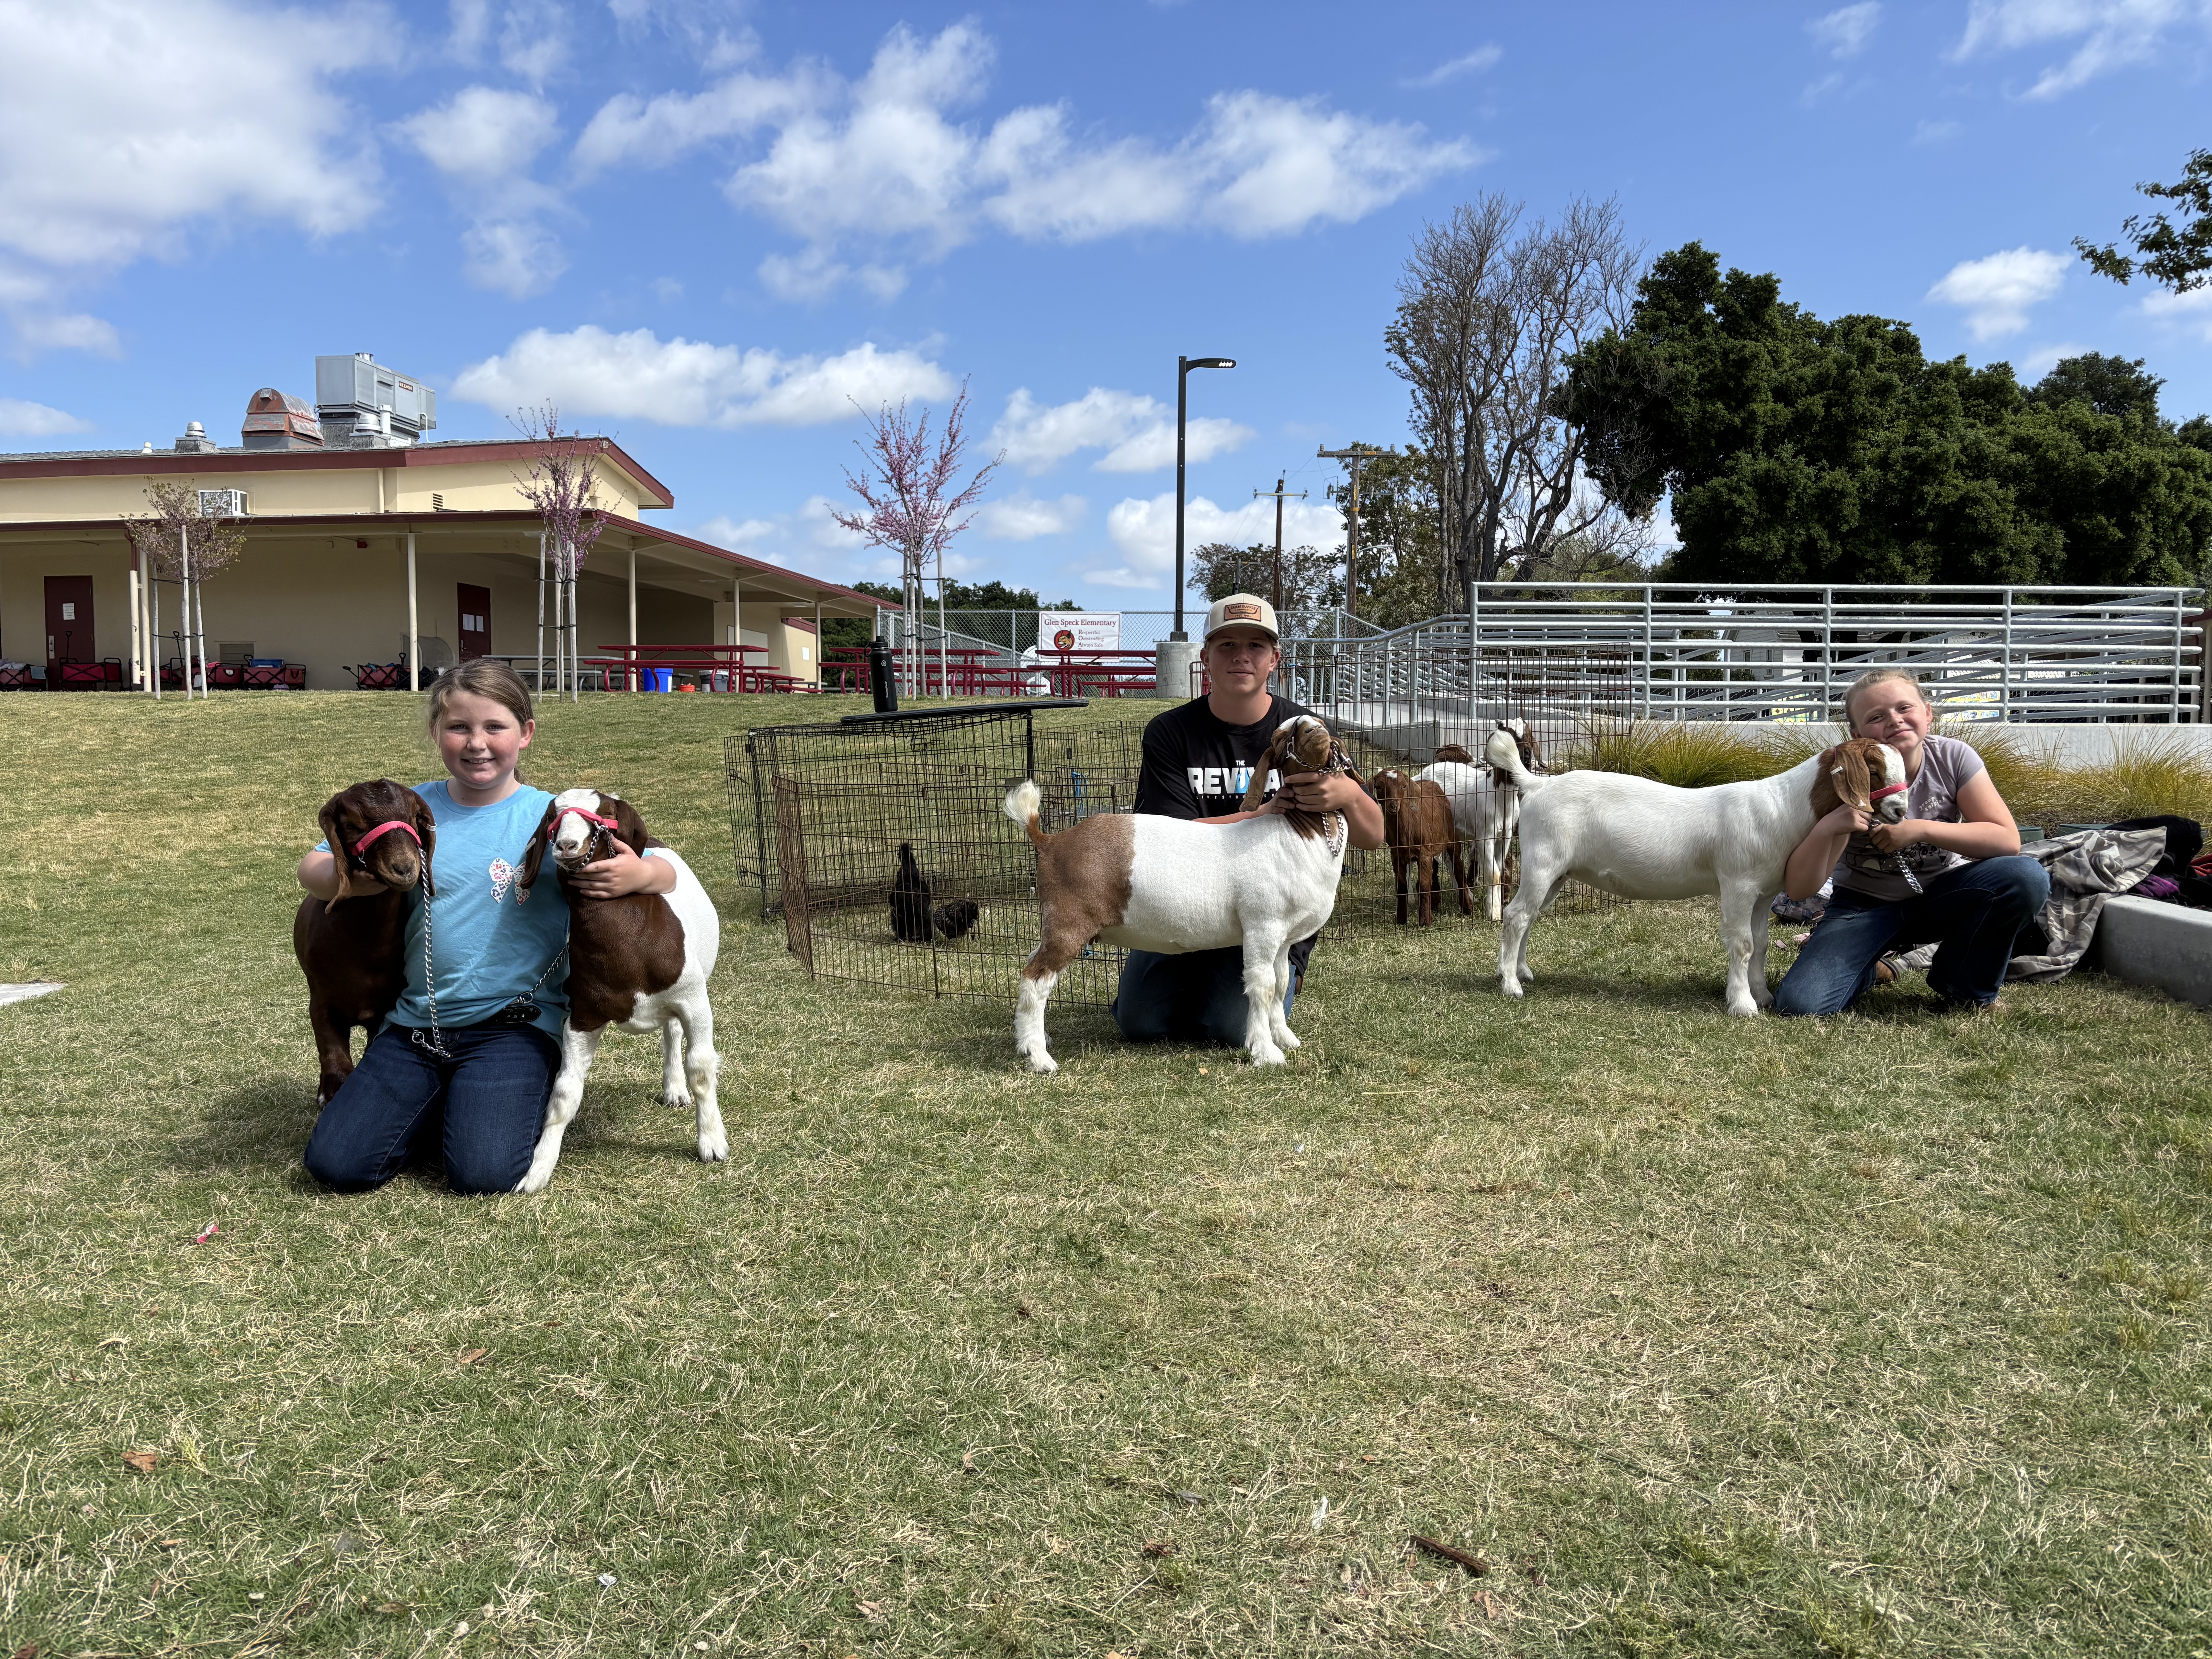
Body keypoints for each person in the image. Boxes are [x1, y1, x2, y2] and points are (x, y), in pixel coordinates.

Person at [297, 660, 675, 1194]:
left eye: (495, 727)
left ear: (526, 734)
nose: (477, 743)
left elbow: (666, 866)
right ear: (436, 734)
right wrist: (374, 880)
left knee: (484, 1173)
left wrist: (642, 871)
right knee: (338, 1165)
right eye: (459, 728)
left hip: (516, 1025)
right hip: (414, 1024)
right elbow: (312, 871)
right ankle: (445, 1101)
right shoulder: (408, 808)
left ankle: (482, 1099)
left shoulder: (556, 814)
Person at [1111, 594, 1385, 1046]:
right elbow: (1165, 837)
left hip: (1266, 913)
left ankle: (1269, 981)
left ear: (1275, 659)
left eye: (1257, 646)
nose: (1242, 656)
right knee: (1141, 1024)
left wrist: (1349, 794)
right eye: (1226, 645)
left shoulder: (1304, 732)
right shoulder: (1170, 732)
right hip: (1185, 902)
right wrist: (1257, 815)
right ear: (1205, 657)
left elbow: (1374, 837)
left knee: (1232, 1029)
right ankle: (1183, 980)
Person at [1772, 668, 2049, 1015]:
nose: (1894, 720)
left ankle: (1964, 987)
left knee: (2025, 876)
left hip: (1944, 895)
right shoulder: (1844, 777)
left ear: (1928, 714)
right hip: (1863, 905)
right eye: (1876, 717)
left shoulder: (1953, 758)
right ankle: (1869, 965)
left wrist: (1918, 829)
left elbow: (2007, 841)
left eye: (1905, 708)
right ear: (1857, 735)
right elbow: (1799, 889)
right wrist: (1829, 828)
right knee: (1801, 1005)